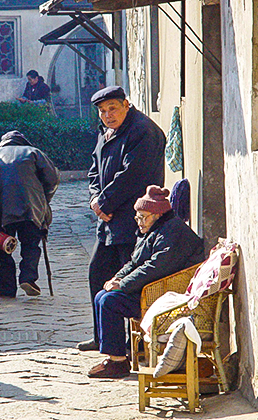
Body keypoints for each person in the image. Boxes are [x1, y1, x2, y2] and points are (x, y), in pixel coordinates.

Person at [77, 86, 166, 352]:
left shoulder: (142, 131)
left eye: (112, 108)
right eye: (102, 111)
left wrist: (104, 202)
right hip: (107, 222)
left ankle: (135, 344)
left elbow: (133, 175)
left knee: (130, 282)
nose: (107, 115)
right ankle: (104, 337)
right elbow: (95, 170)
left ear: (126, 104)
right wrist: (96, 200)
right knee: (98, 274)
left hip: (134, 221)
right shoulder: (106, 132)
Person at [87, 186, 204, 378]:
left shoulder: (172, 231)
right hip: (150, 287)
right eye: (137, 217)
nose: (138, 222)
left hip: (163, 294)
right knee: (102, 295)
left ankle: (117, 362)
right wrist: (117, 277)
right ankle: (115, 357)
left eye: (143, 217)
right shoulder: (152, 229)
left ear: (157, 215)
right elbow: (134, 261)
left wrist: (123, 285)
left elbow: (156, 267)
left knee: (110, 301)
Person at [0, 130, 60, 298]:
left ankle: (7, 289)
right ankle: (28, 278)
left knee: (3, 249)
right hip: (32, 209)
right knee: (31, 244)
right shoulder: (34, 152)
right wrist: (43, 199)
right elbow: (53, 179)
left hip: (1, 210)